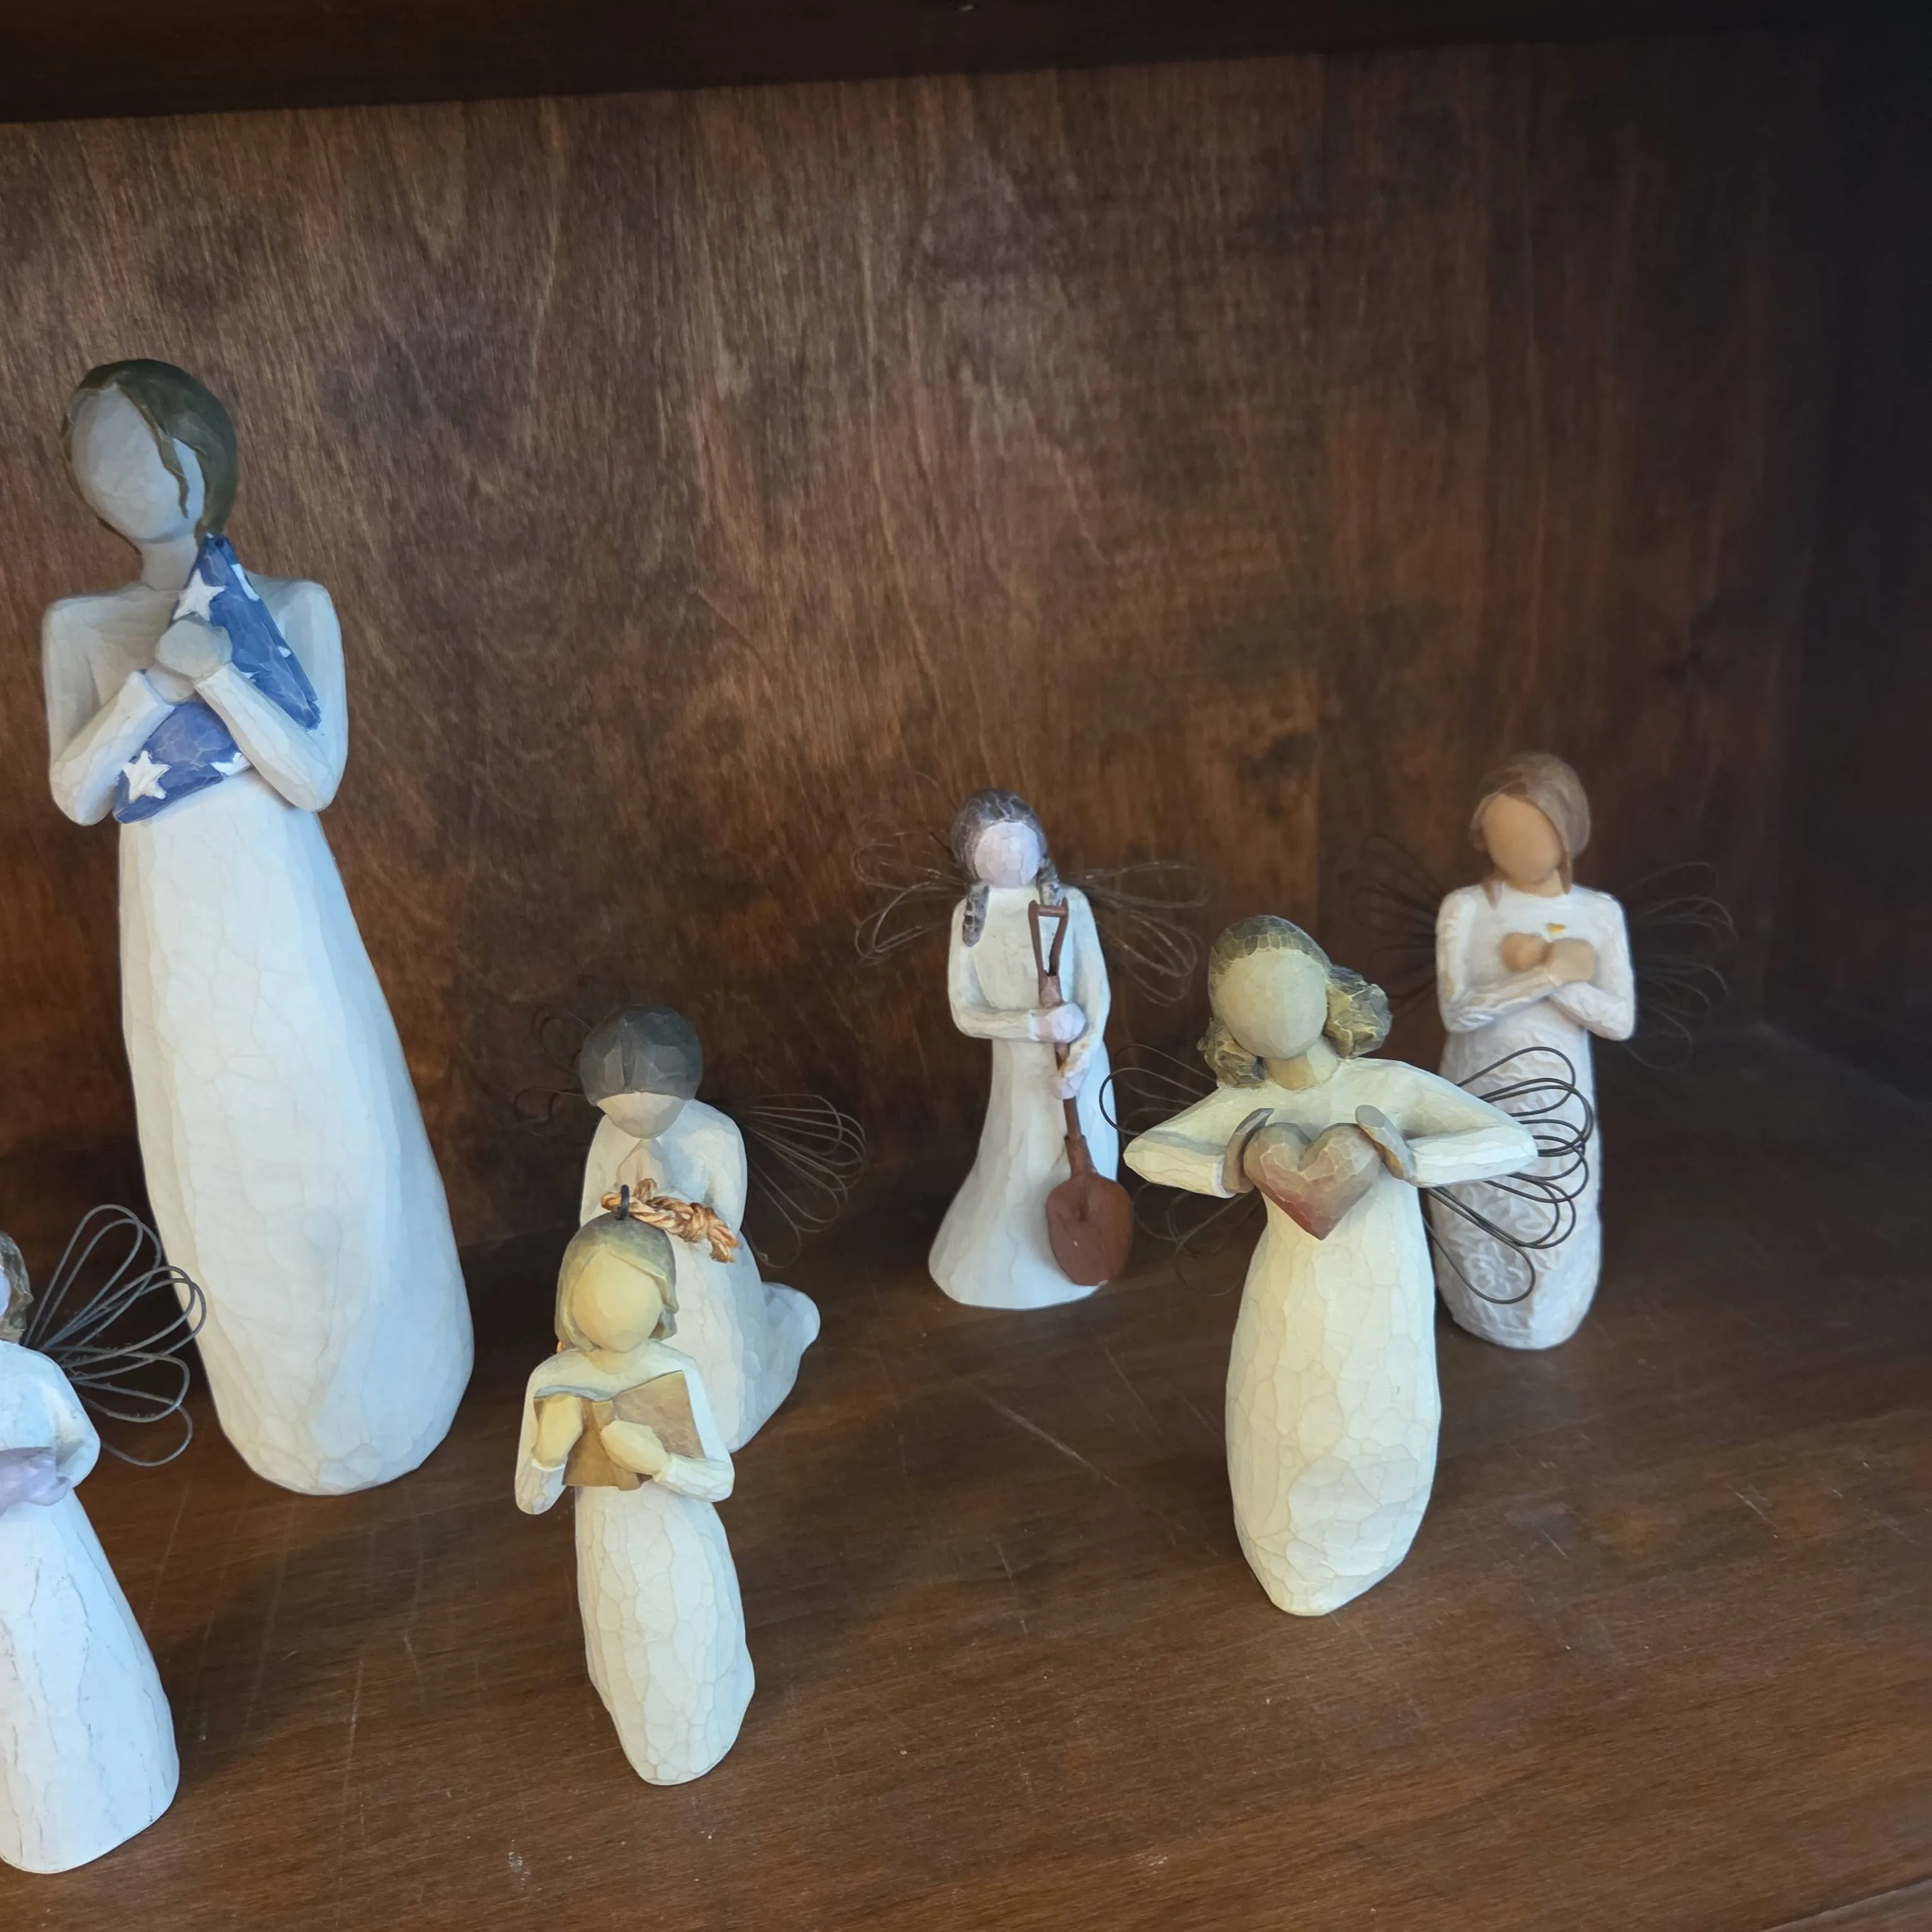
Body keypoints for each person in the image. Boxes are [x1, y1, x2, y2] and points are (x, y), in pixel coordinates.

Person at [42, 359, 470, 1493]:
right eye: (92, 457)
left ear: (197, 458)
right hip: (174, 948)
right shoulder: (82, 626)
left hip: (289, 929)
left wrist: (224, 678)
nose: (116, 476)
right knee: (216, 1162)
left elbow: (312, 774)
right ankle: (280, 1414)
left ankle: (403, 1380)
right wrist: (150, 689)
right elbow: (78, 792)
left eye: (137, 449)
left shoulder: (291, 606)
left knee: (342, 1139)